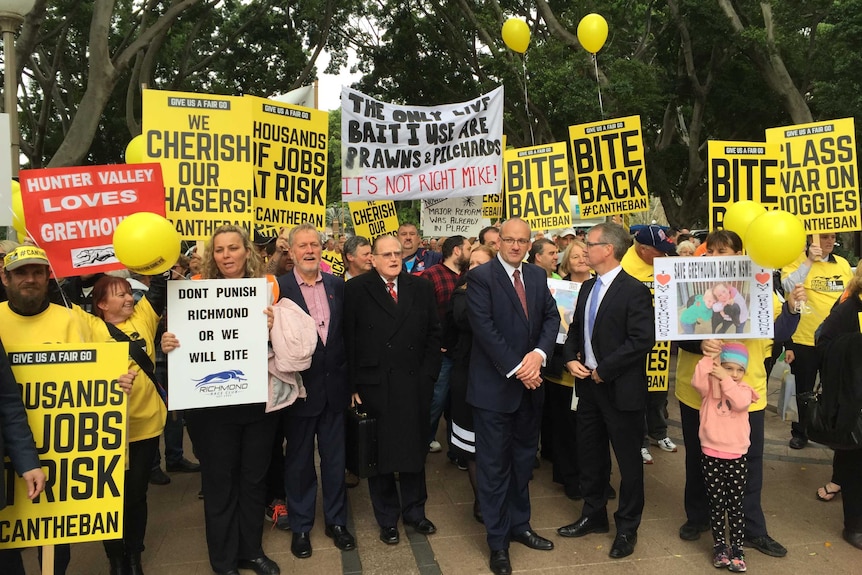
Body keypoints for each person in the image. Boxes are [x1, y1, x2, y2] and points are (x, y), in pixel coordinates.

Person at [0, 246, 136, 575]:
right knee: (9, 538)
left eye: (37, 272)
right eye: (21, 273)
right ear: (5, 278)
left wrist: (120, 379)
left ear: (49, 276)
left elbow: (112, 361)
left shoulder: (74, 318)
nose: (30, 279)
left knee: (55, 536)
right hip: (10, 452)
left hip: (63, 450)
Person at [675, 229, 804, 559]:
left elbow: (777, 331)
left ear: (740, 253)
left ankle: (752, 529)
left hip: (747, 394)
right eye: (714, 250)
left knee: (749, 462)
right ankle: (698, 517)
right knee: (698, 457)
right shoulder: (691, 288)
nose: (720, 256)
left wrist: (791, 309)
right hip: (700, 392)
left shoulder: (758, 285)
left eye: (727, 250)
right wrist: (699, 342)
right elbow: (674, 332)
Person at [161, 225, 280, 575]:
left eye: (233, 248)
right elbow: (182, 337)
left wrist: (276, 324)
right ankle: (224, 560)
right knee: (219, 480)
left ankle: (251, 550)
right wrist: (169, 342)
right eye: (219, 250)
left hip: (257, 400)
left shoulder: (269, 287)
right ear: (212, 255)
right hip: (210, 407)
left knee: (253, 478)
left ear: (247, 251)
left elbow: (283, 341)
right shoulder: (194, 287)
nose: (226, 255)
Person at [466, 217, 559, 575]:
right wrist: (520, 368)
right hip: (495, 390)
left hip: (530, 390)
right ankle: (497, 541)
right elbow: (484, 328)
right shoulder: (481, 278)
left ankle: (520, 525)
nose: (516, 246)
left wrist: (539, 356)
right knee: (493, 467)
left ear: (529, 243)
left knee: (523, 462)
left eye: (522, 241)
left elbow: (551, 319)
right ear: (498, 243)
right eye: (510, 240)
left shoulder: (536, 276)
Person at [557, 222, 655, 560]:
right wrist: (570, 359)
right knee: (591, 455)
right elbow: (573, 333)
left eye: (590, 243)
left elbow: (641, 340)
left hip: (620, 391)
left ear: (607, 249)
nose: (584, 248)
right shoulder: (587, 288)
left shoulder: (634, 290)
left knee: (628, 463)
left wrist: (605, 370)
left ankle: (627, 527)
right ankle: (593, 514)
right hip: (587, 389)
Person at [344, 234, 442, 546]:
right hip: (375, 385)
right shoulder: (356, 290)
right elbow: (348, 340)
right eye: (386, 254)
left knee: (414, 451)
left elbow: (433, 334)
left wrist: (428, 377)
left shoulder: (421, 287)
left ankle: (415, 512)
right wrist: (353, 385)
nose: (393, 259)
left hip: (414, 383)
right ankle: (387, 519)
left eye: (397, 253)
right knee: (380, 455)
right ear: (371, 258)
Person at [277, 223, 354, 558]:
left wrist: (352, 385)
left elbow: (347, 337)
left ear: (322, 249)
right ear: (291, 252)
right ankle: (301, 526)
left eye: (314, 245)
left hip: (335, 389)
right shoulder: (277, 289)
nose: (309, 250)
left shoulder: (338, 285)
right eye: (302, 246)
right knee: (299, 463)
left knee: (336, 461)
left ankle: (337, 522)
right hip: (299, 391)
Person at [91, 272, 168, 575]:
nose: (128, 299)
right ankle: (115, 558)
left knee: (136, 495)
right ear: (101, 304)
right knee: (108, 497)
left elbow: (160, 285)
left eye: (129, 292)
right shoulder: (88, 327)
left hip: (144, 426)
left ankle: (134, 555)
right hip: (104, 430)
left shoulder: (143, 317)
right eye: (119, 294)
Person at [692, 343, 759, 572]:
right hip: (710, 453)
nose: (734, 374)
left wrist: (725, 379)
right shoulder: (709, 390)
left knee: (735, 504)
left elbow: (740, 403)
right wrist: (709, 358)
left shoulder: (744, 390)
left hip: (736, 456)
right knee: (717, 503)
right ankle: (720, 546)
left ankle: (738, 548)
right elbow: (697, 381)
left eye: (739, 370)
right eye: (729, 368)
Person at [781, 234, 852, 449]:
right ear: (811, 238)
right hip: (804, 339)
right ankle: (800, 432)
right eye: (824, 237)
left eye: (832, 237)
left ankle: (829, 430)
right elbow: (788, 284)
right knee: (803, 390)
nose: (829, 241)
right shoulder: (796, 261)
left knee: (834, 389)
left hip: (835, 341)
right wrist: (809, 261)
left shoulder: (842, 264)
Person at [446, 244, 496, 523]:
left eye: (482, 263)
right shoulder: (463, 292)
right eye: (471, 264)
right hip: (468, 375)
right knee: (473, 444)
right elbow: (465, 319)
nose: (475, 268)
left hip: (499, 378)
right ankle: (482, 501)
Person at [621, 224, 678, 464]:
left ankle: (659, 433)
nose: (664, 256)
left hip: (661, 342)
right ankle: (640, 441)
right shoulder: (624, 266)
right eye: (659, 251)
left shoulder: (664, 264)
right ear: (643, 249)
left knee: (658, 392)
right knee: (638, 394)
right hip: (633, 342)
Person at [815, 269, 862, 550]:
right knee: (855, 462)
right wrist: (857, 344)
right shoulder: (848, 310)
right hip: (854, 401)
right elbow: (823, 347)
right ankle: (854, 525)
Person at [422, 235, 471, 455]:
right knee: (436, 400)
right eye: (469, 248)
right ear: (457, 251)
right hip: (441, 352)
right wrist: (435, 343)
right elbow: (422, 313)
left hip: (464, 352)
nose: (471, 252)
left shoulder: (472, 276)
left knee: (459, 404)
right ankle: (422, 440)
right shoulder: (431, 275)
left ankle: (457, 449)